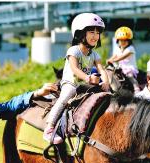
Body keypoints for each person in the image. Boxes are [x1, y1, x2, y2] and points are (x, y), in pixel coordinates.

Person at [43, 13, 110, 144]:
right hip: (71, 83)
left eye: (97, 33)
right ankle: (50, 127)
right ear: (80, 33)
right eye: (91, 32)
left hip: (84, 85)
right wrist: (88, 78)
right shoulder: (73, 50)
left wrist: (106, 82)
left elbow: (101, 69)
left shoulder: (94, 54)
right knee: (66, 95)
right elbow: (74, 69)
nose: (95, 36)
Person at [107, 26, 140, 94]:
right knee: (108, 72)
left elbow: (122, 57)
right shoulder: (118, 49)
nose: (123, 42)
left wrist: (114, 60)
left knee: (130, 76)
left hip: (129, 67)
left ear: (129, 41)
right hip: (119, 68)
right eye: (121, 40)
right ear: (117, 41)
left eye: (125, 40)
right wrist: (109, 60)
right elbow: (114, 56)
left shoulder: (130, 49)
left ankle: (137, 89)